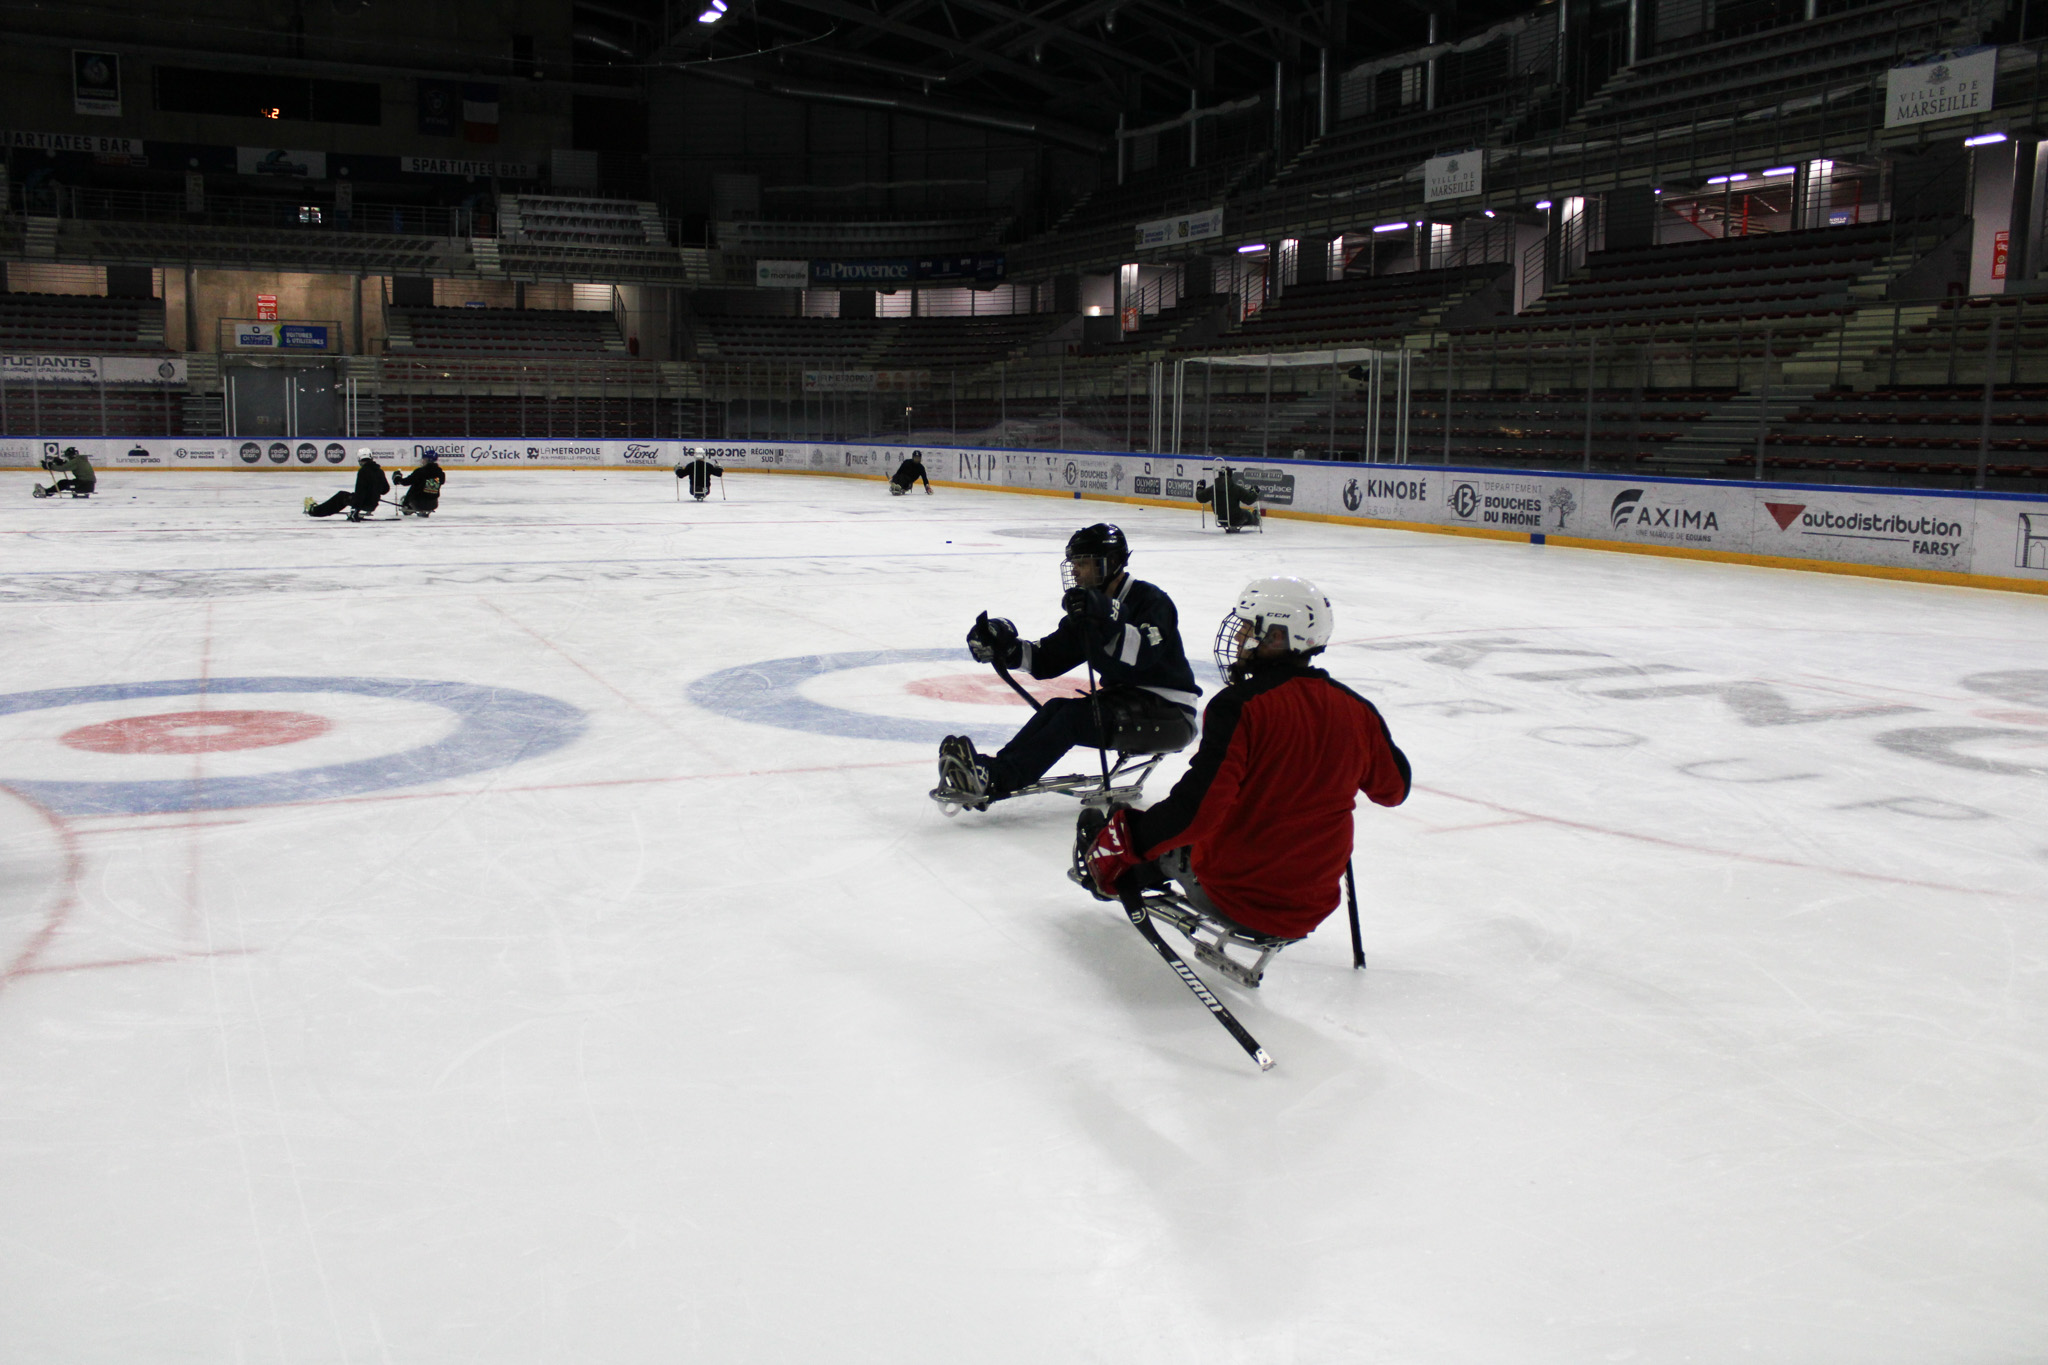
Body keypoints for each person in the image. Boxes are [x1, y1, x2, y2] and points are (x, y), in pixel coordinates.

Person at [1079, 575, 1410, 945]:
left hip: (1237, 896)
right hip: (1312, 903)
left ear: (1278, 636)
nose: (1239, 638)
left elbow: (1196, 811)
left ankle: (1110, 870)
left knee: (1166, 841)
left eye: (1250, 628)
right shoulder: (1357, 709)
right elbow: (1394, 790)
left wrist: (1125, 839)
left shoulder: (1240, 706)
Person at [937, 523, 1199, 810]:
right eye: (1073, 563)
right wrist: (1005, 648)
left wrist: (1104, 618)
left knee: (1072, 718)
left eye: (1083, 563)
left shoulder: (1151, 601)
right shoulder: (1088, 608)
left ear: (1110, 562)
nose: (1075, 571)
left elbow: (1143, 653)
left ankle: (997, 779)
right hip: (1129, 705)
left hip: (1172, 715)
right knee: (1057, 709)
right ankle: (992, 771)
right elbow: (1046, 659)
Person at [305, 449, 389, 521]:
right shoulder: (380, 471)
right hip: (373, 503)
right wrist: (374, 491)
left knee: (341, 496)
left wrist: (355, 510)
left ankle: (316, 511)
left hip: (364, 504)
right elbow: (385, 490)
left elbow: (360, 492)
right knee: (345, 496)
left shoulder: (363, 471)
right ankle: (318, 509)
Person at [1196, 465, 1259, 532]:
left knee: (1242, 513)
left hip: (1221, 519)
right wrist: (1254, 492)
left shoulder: (1213, 489)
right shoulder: (1235, 488)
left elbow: (1200, 497)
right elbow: (1249, 500)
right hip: (1237, 518)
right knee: (1247, 513)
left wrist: (1200, 488)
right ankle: (1255, 519)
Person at [393, 451, 446, 517]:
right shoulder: (440, 473)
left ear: (428, 460)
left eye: (424, 459)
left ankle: (406, 504)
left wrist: (397, 478)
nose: (422, 461)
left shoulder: (420, 471)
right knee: (422, 484)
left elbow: (406, 482)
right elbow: (441, 482)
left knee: (415, 485)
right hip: (433, 503)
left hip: (419, 503)